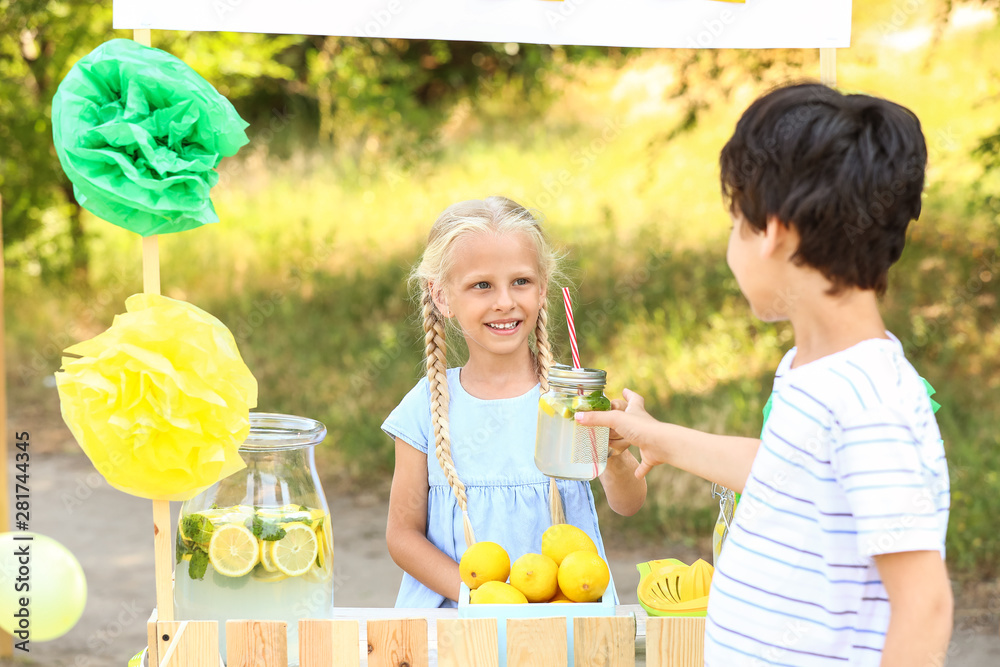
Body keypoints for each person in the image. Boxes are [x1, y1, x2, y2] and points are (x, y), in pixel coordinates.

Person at [577, 83, 953, 666]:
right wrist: (659, 437)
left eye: (736, 224)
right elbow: (784, 473)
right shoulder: (810, 368)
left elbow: (924, 604)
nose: (732, 243)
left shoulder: (868, 400)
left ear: (773, 230)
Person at [382, 196, 647, 607]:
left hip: (564, 616)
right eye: (482, 285)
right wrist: (476, 595)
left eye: (520, 282)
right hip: (458, 622)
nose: (504, 301)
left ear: (542, 288)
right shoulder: (426, 406)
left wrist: (614, 456)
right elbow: (402, 535)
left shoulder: (570, 402)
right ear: (442, 296)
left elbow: (628, 504)